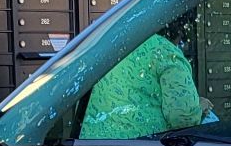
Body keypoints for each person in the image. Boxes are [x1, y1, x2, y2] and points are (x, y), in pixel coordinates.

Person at [79, 34, 208, 139]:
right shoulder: (167, 52)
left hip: (89, 145)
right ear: (179, 34)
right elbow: (182, 118)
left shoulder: (111, 44)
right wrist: (200, 108)